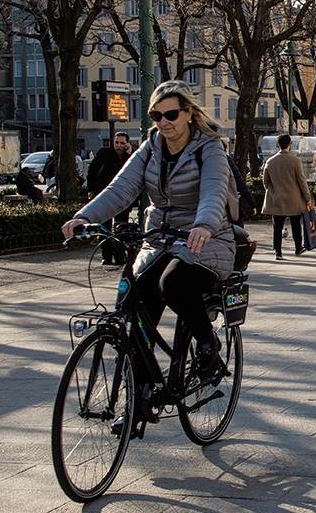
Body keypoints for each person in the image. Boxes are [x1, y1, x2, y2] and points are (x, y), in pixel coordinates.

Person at [61, 80, 240, 379]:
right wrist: (84, 216)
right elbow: (120, 189)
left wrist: (205, 225)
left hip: (207, 240)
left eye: (171, 115)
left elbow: (213, 190)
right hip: (159, 239)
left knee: (173, 283)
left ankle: (208, 344)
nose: (164, 123)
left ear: (188, 113)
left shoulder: (209, 148)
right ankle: (142, 392)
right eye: (157, 116)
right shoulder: (151, 147)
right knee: (135, 298)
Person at [262, 134, 315, 260]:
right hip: (294, 199)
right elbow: (302, 181)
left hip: (277, 199)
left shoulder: (270, 161)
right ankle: (298, 248)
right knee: (296, 224)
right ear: (289, 144)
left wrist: (273, 191)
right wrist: (308, 199)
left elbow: (265, 181)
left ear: (278, 145)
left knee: (277, 226)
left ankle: (278, 252)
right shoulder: (295, 160)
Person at [86, 132, 135, 265]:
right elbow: (92, 171)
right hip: (104, 196)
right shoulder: (104, 153)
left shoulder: (131, 156)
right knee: (104, 227)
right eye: (116, 142)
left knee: (121, 227)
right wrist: (91, 190)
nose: (119, 145)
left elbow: (134, 172)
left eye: (122, 143)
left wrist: (129, 153)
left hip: (123, 197)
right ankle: (106, 256)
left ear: (127, 144)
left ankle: (120, 255)